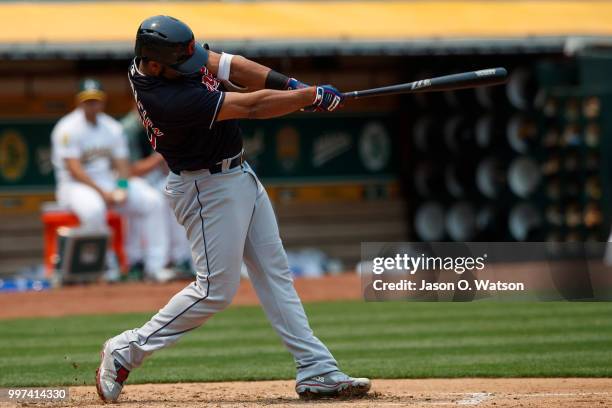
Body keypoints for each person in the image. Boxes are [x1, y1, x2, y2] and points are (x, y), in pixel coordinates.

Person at [95, 15, 370, 402]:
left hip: (236, 175)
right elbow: (253, 106)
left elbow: (230, 65)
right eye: (181, 65)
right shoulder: (169, 99)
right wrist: (307, 99)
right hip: (206, 188)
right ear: (154, 64)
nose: (194, 66)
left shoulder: (162, 60)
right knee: (214, 291)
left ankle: (316, 369)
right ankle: (127, 349)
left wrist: (294, 88)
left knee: (275, 274)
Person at [51, 78, 174, 282]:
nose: (92, 105)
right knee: (94, 209)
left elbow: (123, 164)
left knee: (152, 201)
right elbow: (74, 169)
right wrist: (103, 193)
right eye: (87, 101)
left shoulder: (111, 127)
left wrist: (123, 187)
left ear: (103, 101)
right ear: (79, 102)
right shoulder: (67, 128)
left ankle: (155, 266)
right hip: (75, 186)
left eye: (95, 100)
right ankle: (107, 267)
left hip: (107, 182)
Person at [121, 109, 193, 278]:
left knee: (176, 193)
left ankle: (179, 258)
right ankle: (145, 262)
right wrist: (158, 158)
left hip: (156, 178)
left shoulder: (163, 122)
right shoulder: (128, 128)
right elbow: (130, 170)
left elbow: (172, 163)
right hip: (129, 181)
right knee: (150, 201)